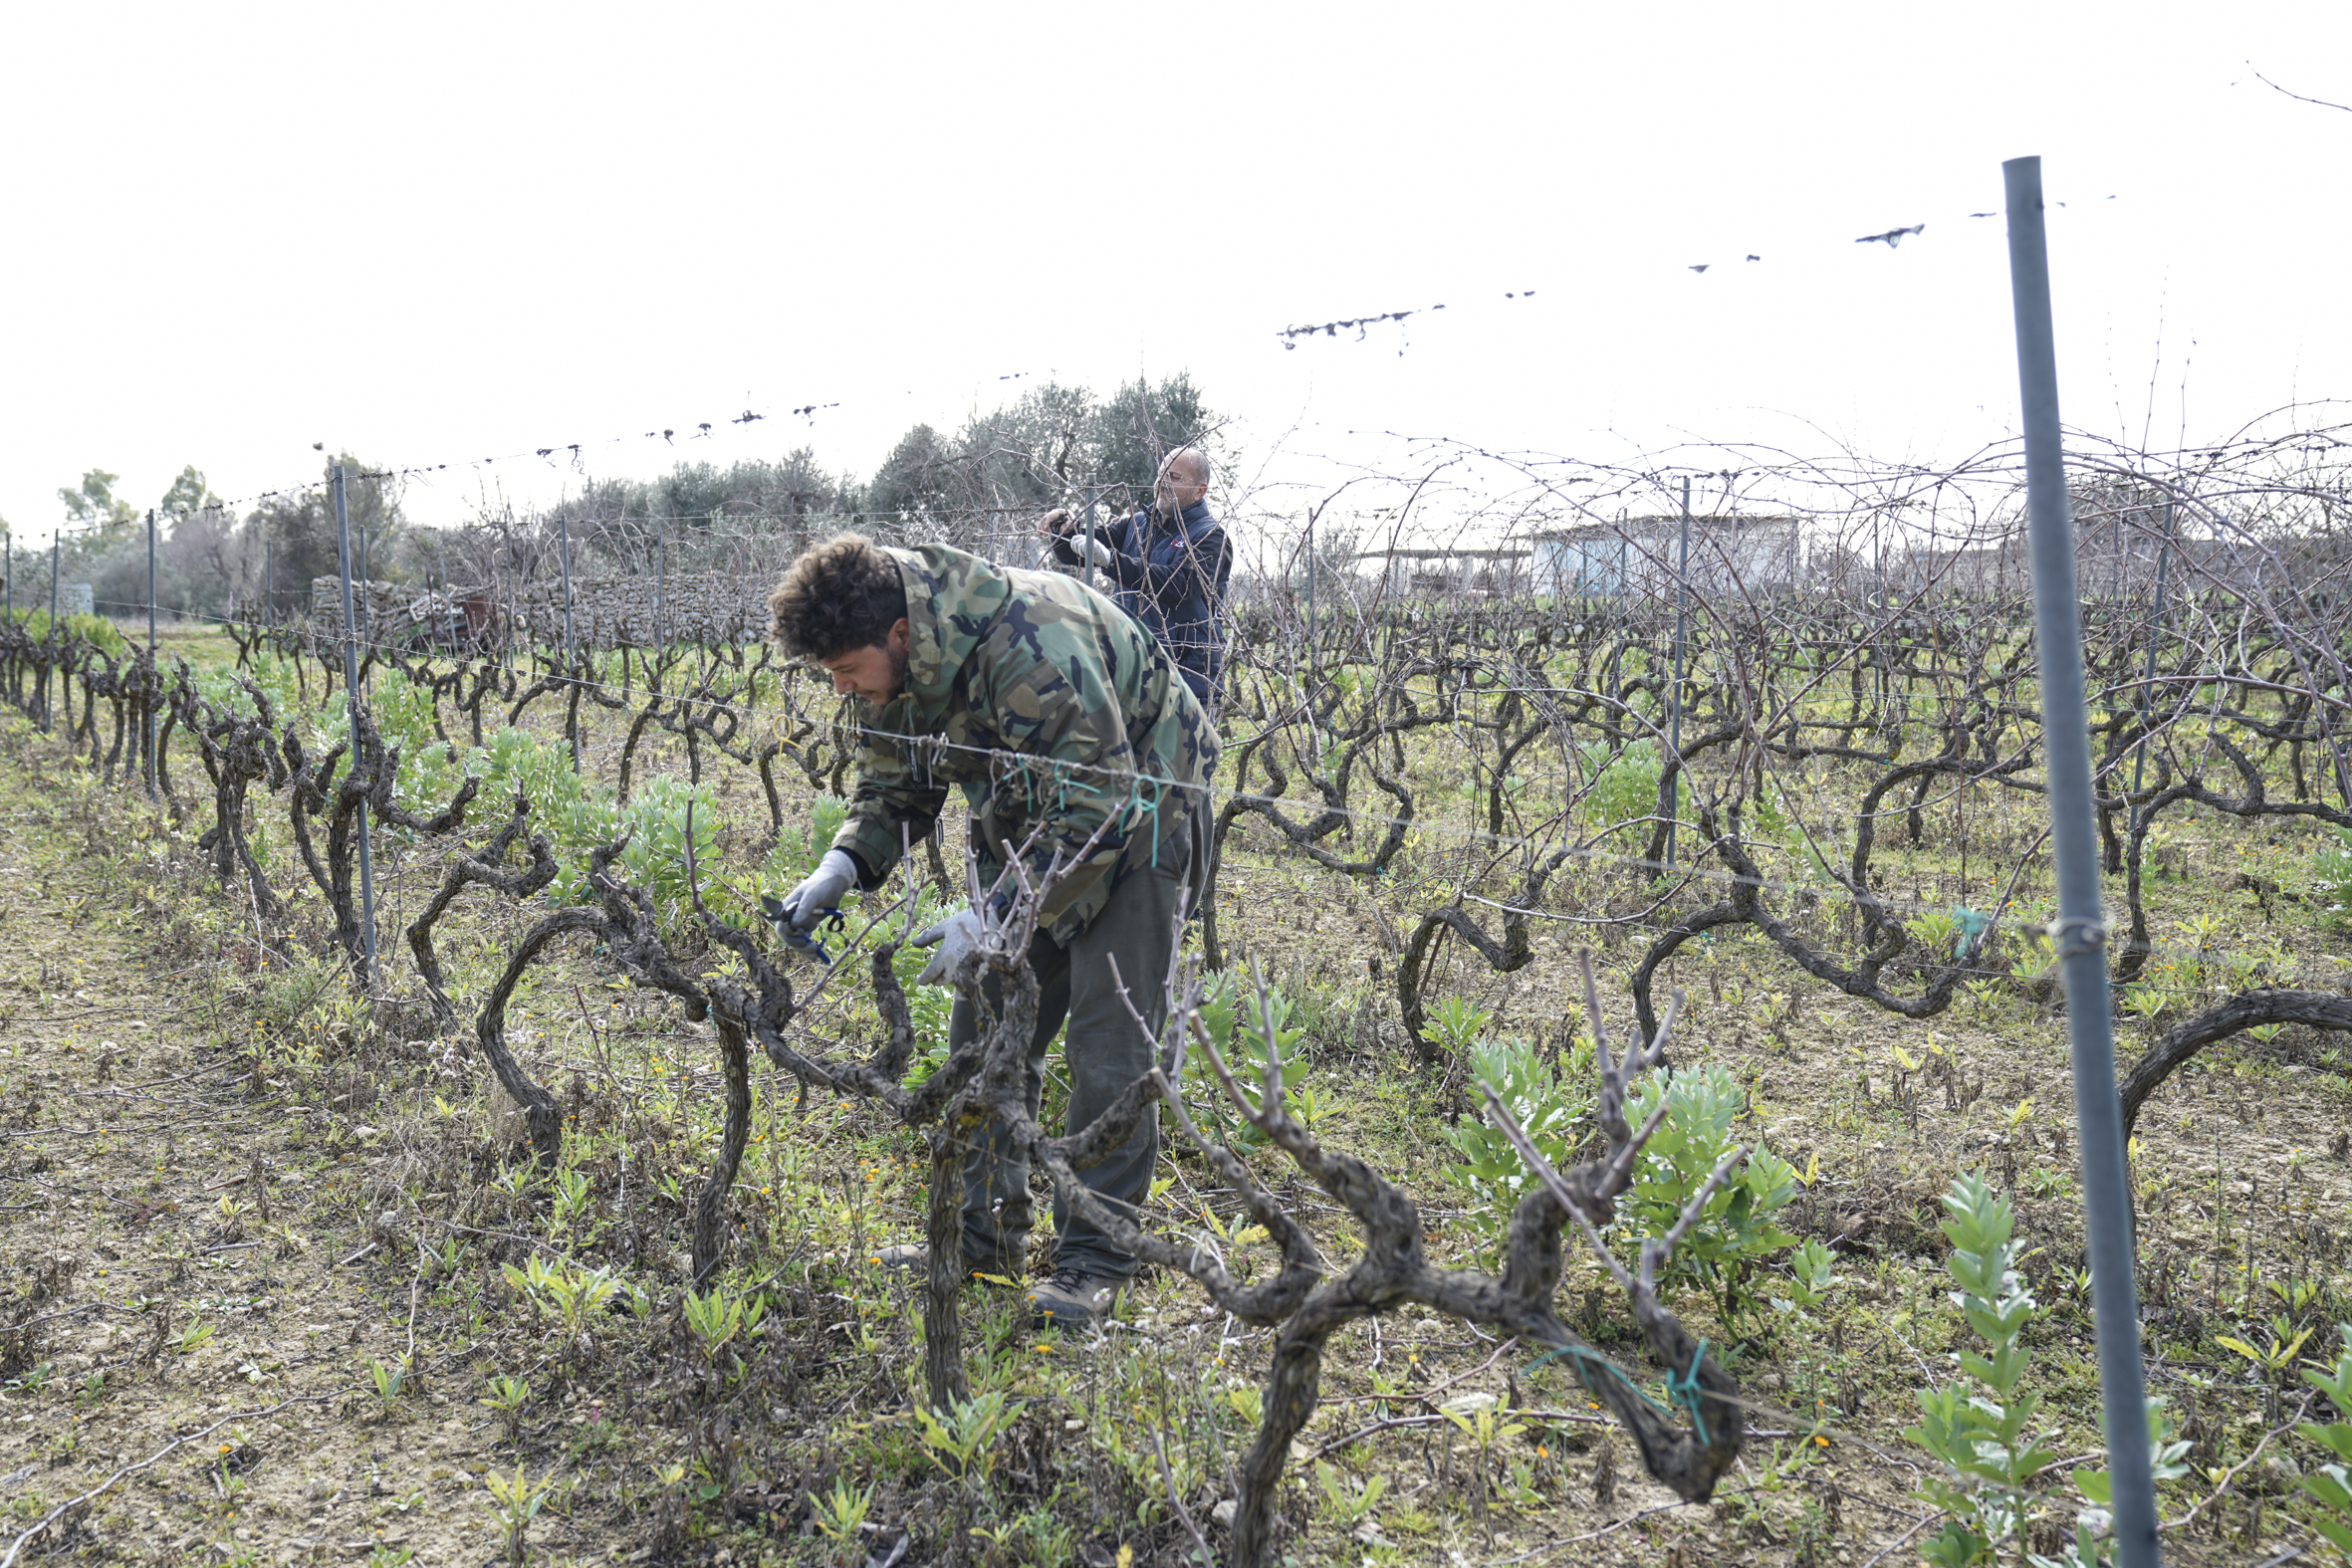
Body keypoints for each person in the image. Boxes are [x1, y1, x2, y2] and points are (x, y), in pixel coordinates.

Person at [764, 534, 1217, 1329]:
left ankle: (1095, 1263)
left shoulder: (1030, 640)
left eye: (846, 669)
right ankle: (983, 1244)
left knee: (1109, 1050)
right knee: (986, 1035)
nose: (841, 688)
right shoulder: (891, 665)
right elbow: (892, 783)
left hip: (1145, 812)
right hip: (1028, 819)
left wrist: (994, 912)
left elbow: (1098, 802)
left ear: (898, 634)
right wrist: (843, 863)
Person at [1041, 446, 1231, 710]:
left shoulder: (1211, 538)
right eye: (1161, 474)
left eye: (1175, 478)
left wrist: (1110, 561)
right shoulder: (1137, 524)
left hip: (1185, 679)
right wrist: (1063, 527)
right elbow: (1076, 552)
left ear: (1200, 490)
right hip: (1130, 672)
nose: (1163, 483)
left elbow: (1176, 585)